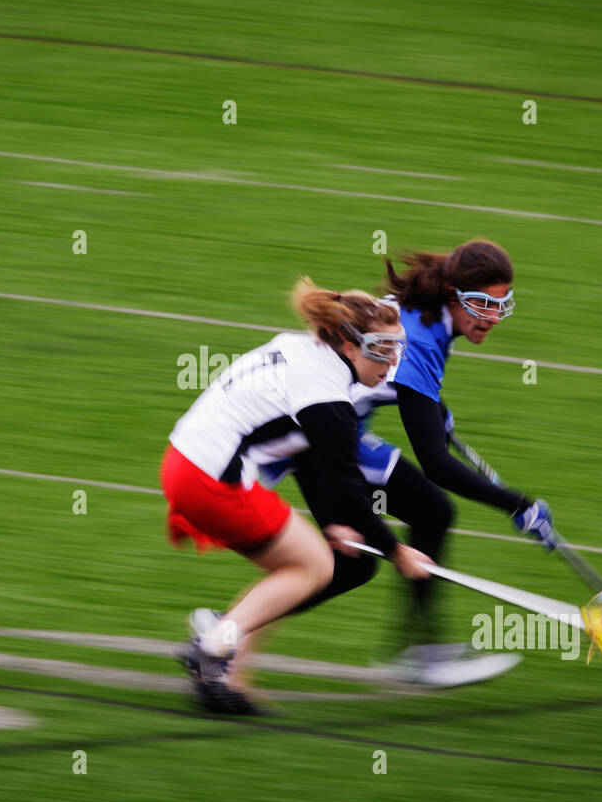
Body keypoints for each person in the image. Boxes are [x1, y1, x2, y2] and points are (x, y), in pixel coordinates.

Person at [263, 240, 557, 686]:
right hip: (314, 439)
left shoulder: (431, 313)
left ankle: (422, 652)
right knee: (356, 561)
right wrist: (517, 505)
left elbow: (402, 390)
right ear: (454, 294)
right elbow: (436, 464)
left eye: (501, 305)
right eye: (481, 304)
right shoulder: (421, 336)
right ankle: (227, 628)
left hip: (339, 430)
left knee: (429, 513)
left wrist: (434, 409)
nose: (490, 317)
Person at [163, 277, 434, 713]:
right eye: (382, 350)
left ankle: (218, 662)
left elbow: (309, 455)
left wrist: (330, 523)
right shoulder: (329, 398)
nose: (392, 362)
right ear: (349, 347)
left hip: (183, 463)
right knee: (315, 566)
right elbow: (348, 488)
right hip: (214, 481)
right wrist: (397, 551)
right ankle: (213, 645)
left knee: (298, 564)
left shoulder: (302, 349)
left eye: (397, 348)